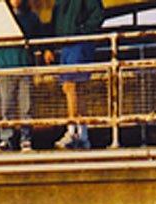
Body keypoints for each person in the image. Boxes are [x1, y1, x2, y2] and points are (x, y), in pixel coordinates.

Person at [48, 0, 106, 150]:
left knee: (72, 86)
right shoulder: (59, 4)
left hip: (78, 43)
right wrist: (50, 46)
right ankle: (82, 133)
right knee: (72, 88)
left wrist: (83, 31)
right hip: (66, 44)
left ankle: (73, 130)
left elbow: (97, 14)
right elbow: (54, 22)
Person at [0, 0, 43, 152]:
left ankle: (25, 139)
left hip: (24, 66)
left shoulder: (31, 17)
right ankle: (6, 138)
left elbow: (38, 39)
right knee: (6, 105)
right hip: (6, 66)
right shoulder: (0, 18)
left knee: (25, 106)